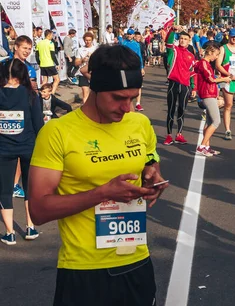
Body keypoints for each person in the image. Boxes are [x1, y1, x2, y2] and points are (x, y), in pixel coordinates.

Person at [28, 44, 168, 305]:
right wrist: (102, 193)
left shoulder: (140, 124)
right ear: (95, 87)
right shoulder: (58, 132)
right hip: (84, 270)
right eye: (117, 98)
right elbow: (38, 209)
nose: (127, 107)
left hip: (136, 262)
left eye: (133, 97)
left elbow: (150, 157)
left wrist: (153, 173)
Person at [0, 58, 44, 245]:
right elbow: (39, 124)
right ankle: (30, 227)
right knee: (30, 188)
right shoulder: (30, 95)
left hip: (3, 148)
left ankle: (9, 233)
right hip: (29, 147)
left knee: (4, 191)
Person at [194, 44, 231, 157]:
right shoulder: (204, 63)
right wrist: (224, 78)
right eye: (216, 54)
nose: (216, 57)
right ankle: (202, 146)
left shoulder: (206, 64)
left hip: (210, 94)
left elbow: (210, 77)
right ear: (210, 52)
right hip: (207, 94)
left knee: (209, 122)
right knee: (216, 121)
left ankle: (206, 147)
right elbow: (210, 79)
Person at [164, 28, 196, 145]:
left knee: (182, 109)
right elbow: (168, 41)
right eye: (181, 38)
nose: (183, 41)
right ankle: (169, 135)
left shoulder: (191, 56)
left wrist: (194, 88)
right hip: (173, 84)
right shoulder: (174, 50)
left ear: (189, 41)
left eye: (185, 39)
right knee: (171, 110)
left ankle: (179, 134)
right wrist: (172, 30)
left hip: (185, 85)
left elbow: (192, 72)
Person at [74, 32, 97, 104]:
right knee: (85, 92)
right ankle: (86, 110)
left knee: (95, 93)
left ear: (92, 40)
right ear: (84, 40)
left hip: (93, 73)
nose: (88, 42)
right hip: (82, 74)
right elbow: (76, 63)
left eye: (89, 40)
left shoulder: (96, 49)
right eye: (86, 40)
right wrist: (82, 60)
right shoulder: (80, 50)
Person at [36, 29, 60, 95]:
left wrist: (39, 63)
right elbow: (53, 55)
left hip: (42, 64)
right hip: (49, 64)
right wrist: (57, 64)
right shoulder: (50, 43)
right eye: (52, 35)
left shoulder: (39, 43)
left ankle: (41, 94)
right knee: (57, 79)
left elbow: (36, 55)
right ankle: (52, 93)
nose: (52, 36)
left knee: (45, 81)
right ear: (49, 35)